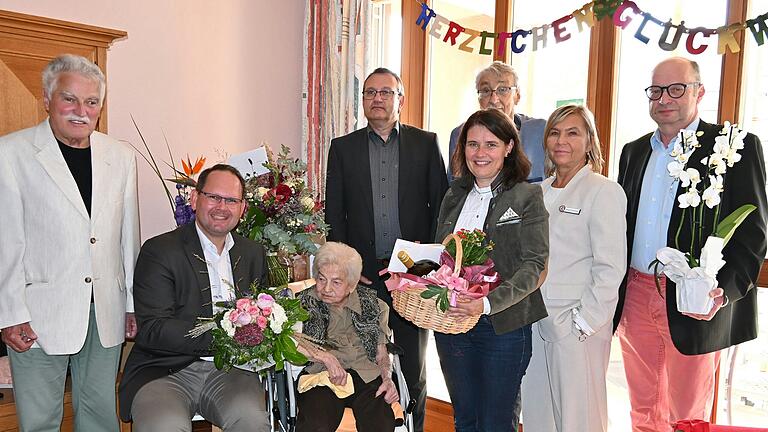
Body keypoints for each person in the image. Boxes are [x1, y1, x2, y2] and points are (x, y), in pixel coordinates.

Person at [614, 57, 767, 431]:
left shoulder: (734, 147)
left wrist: (722, 292)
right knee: (643, 410)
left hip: (694, 301)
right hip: (636, 294)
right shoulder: (634, 151)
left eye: (676, 88)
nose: (664, 98)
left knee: (688, 416)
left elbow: (753, 233)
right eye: (656, 91)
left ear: (699, 92)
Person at [0, 54, 140, 431]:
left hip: (105, 311)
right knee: (40, 420)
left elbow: (129, 239)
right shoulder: (10, 153)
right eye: (69, 99)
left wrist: (131, 305)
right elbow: (6, 242)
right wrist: (11, 314)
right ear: (47, 99)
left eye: (91, 101)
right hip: (39, 312)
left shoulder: (122, 156)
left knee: (99, 417)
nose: (81, 110)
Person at [325, 67, 449, 432]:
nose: (377, 98)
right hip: (362, 276)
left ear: (400, 100)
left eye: (385, 92)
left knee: (413, 366)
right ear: (363, 101)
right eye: (369, 93)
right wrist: (345, 269)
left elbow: (439, 207)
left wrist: (430, 266)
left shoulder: (425, 143)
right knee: (366, 361)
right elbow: (335, 213)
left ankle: (416, 426)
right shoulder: (342, 148)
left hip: (412, 277)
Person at [118, 164, 270, 431]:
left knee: (252, 421)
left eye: (231, 200)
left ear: (243, 208)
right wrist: (229, 336)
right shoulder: (160, 251)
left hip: (232, 372)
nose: (222, 207)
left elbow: (264, 314)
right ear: (194, 198)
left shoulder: (253, 253)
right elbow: (153, 329)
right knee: (163, 426)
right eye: (213, 197)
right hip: (164, 370)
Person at [435, 108, 549, 432]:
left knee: (495, 423)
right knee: (465, 420)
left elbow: (535, 264)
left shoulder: (527, 195)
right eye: (472, 144)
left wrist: (486, 303)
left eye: (491, 144)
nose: (480, 153)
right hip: (453, 326)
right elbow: (442, 254)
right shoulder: (454, 194)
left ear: (509, 147)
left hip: (504, 327)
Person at [520, 105, 626, 432]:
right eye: (554, 132)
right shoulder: (537, 191)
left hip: (575, 326)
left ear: (589, 142)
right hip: (534, 321)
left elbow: (610, 268)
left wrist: (584, 322)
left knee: (578, 419)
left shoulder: (603, 191)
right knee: (539, 415)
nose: (561, 140)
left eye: (572, 132)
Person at [295, 241, 398, 432]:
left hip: (366, 376)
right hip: (322, 375)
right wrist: (325, 357)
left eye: (336, 282)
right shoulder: (300, 304)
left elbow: (382, 354)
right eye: (321, 279)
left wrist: (387, 379)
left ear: (351, 285)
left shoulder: (375, 305)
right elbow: (291, 342)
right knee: (316, 425)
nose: (326, 289)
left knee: (380, 426)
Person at [447, 61, 546, 183]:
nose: (494, 99)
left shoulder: (540, 131)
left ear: (517, 95)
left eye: (503, 89)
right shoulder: (460, 134)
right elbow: (455, 186)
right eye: (486, 90)